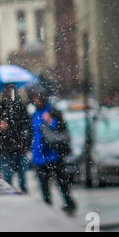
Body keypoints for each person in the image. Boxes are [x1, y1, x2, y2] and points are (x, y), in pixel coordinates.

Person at [28, 84, 77, 213]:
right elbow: (32, 132)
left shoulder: (53, 111)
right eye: (34, 98)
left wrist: (51, 122)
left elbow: (62, 132)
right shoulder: (34, 113)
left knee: (62, 182)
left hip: (53, 154)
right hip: (39, 155)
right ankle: (47, 207)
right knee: (43, 184)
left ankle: (69, 203)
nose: (35, 101)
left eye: (37, 98)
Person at [0, 84, 32, 193]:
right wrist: (0, 128)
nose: (8, 94)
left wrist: (25, 144)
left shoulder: (21, 107)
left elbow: (27, 126)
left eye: (11, 91)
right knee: (7, 178)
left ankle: (24, 199)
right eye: (6, 91)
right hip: (5, 149)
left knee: (22, 179)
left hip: (19, 147)